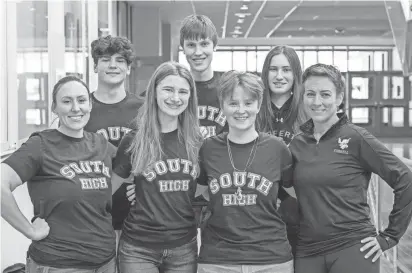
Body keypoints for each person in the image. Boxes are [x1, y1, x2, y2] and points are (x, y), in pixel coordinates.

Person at [288, 63, 412, 273]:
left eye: (325, 94)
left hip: (353, 247)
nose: (317, 102)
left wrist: (390, 236)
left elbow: (405, 178)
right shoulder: (297, 144)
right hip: (308, 250)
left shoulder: (356, 138)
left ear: (339, 98)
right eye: (310, 94)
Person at [1, 76, 116, 273]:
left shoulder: (101, 144)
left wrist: (135, 185)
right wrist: (30, 231)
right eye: (66, 101)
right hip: (59, 263)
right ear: (54, 107)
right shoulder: (41, 144)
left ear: (90, 105)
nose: (75, 108)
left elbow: (132, 168)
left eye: (81, 100)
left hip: (105, 261)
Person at [196, 71, 294, 273]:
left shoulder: (277, 148)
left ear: (258, 105)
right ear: (222, 106)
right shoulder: (208, 148)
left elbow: (290, 194)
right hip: (217, 258)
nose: (241, 110)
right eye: (233, 103)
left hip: (271, 258)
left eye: (248, 103)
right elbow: (202, 192)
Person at [112, 61, 203, 273]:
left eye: (183, 91)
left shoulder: (197, 141)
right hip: (138, 248)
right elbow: (106, 191)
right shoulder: (134, 140)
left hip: (184, 247)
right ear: (154, 92)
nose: (175, 98)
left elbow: (205, 188)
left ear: (190, 97)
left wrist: (159, 189)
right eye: (168, 90)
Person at [85, 35, 142, 241]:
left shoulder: (144, 109)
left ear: (128, 68)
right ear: (95, 66)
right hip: (93, 217)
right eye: (105, 59)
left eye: (120, 60)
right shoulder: (81, 109)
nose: (113, 65)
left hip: (138, 218)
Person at [258, 45, 309, 254]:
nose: (279, 76)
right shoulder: (251, 109)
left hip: (301, 215)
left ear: (295, 74)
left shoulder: (308, 111)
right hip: (258, 216)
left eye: (286, 70)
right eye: (273, 69)